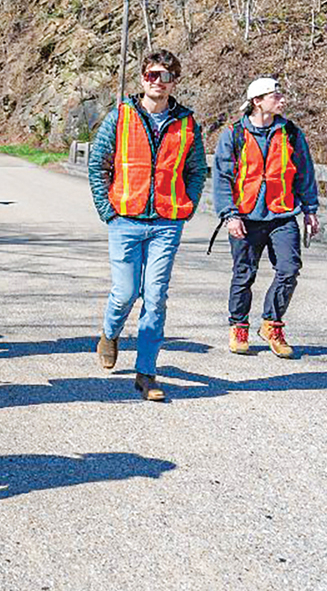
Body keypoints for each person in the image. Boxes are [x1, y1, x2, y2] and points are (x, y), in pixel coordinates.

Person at [88, 50, 207, 402]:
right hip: (124, 219)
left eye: (166, 75)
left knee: (155, 297)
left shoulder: (186, 123)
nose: (159, 81)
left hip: (167, 223)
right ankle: (110, 333)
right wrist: (106, 210)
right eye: (152, 74)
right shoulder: (121, 117)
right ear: (142, 78)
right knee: (125, 293)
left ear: (175, 81)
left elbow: (197, 170)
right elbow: (99, 164)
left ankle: (146, 373)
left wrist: (186, 209)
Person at [212, 77, 319, 358]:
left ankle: (272, 323)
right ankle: (239, 326)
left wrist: (310, 211)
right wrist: (230, 215)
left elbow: (305, 173)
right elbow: (222, 178)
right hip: (245, 216)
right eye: (275, 96)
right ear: (257, 101)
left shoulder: (291, 133)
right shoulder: (233, 134)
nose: (281, 99)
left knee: (289, 268)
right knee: (244, 273)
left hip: (282, 214)